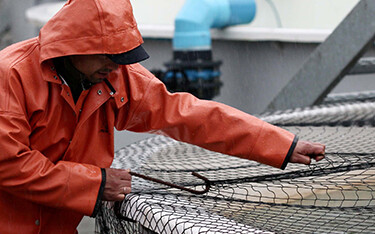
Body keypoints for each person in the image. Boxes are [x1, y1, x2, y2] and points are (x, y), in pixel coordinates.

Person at [0, 0, 325, 233]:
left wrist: (282, 145)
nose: (117, 66)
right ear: (75, 47)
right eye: (110, 56)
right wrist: (96, 183)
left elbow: (188, 115)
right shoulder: (10, 75)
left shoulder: (116, 76)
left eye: (123, 57)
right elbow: (9, 165)